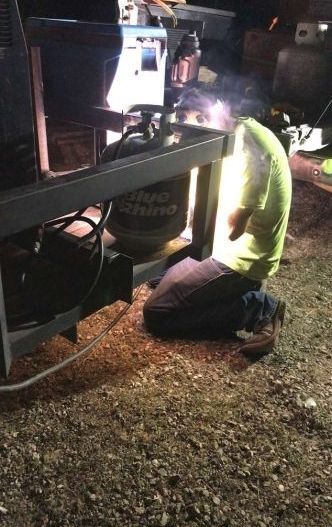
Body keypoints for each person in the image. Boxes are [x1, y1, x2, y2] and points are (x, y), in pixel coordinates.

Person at [143, 86, 292, 356]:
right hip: (231, 247)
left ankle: (257, 307)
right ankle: (225, 294)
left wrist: (194, 220)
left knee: (156, 312)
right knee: (158, 277)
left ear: (213, 113)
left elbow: (235, 231)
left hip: (242, 258)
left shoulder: (250, 148)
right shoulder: (241, 131)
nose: (190, 130)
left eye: (195, 121)